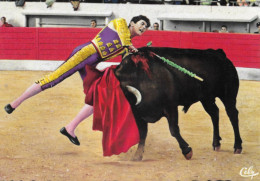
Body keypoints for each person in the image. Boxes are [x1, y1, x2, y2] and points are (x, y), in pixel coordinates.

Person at [4, 15, 150, 146]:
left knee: (97, 96)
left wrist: (139, 55)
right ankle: (14, 103)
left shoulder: (127, 46)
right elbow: (124, 38)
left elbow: (126, 59)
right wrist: (130, 47)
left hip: (92, 63)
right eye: (142, 23)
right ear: (132, 22)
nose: (143, 27)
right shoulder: (121, 23)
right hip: (86, 52)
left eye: (146, 27)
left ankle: (70, 128)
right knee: (53, 78)